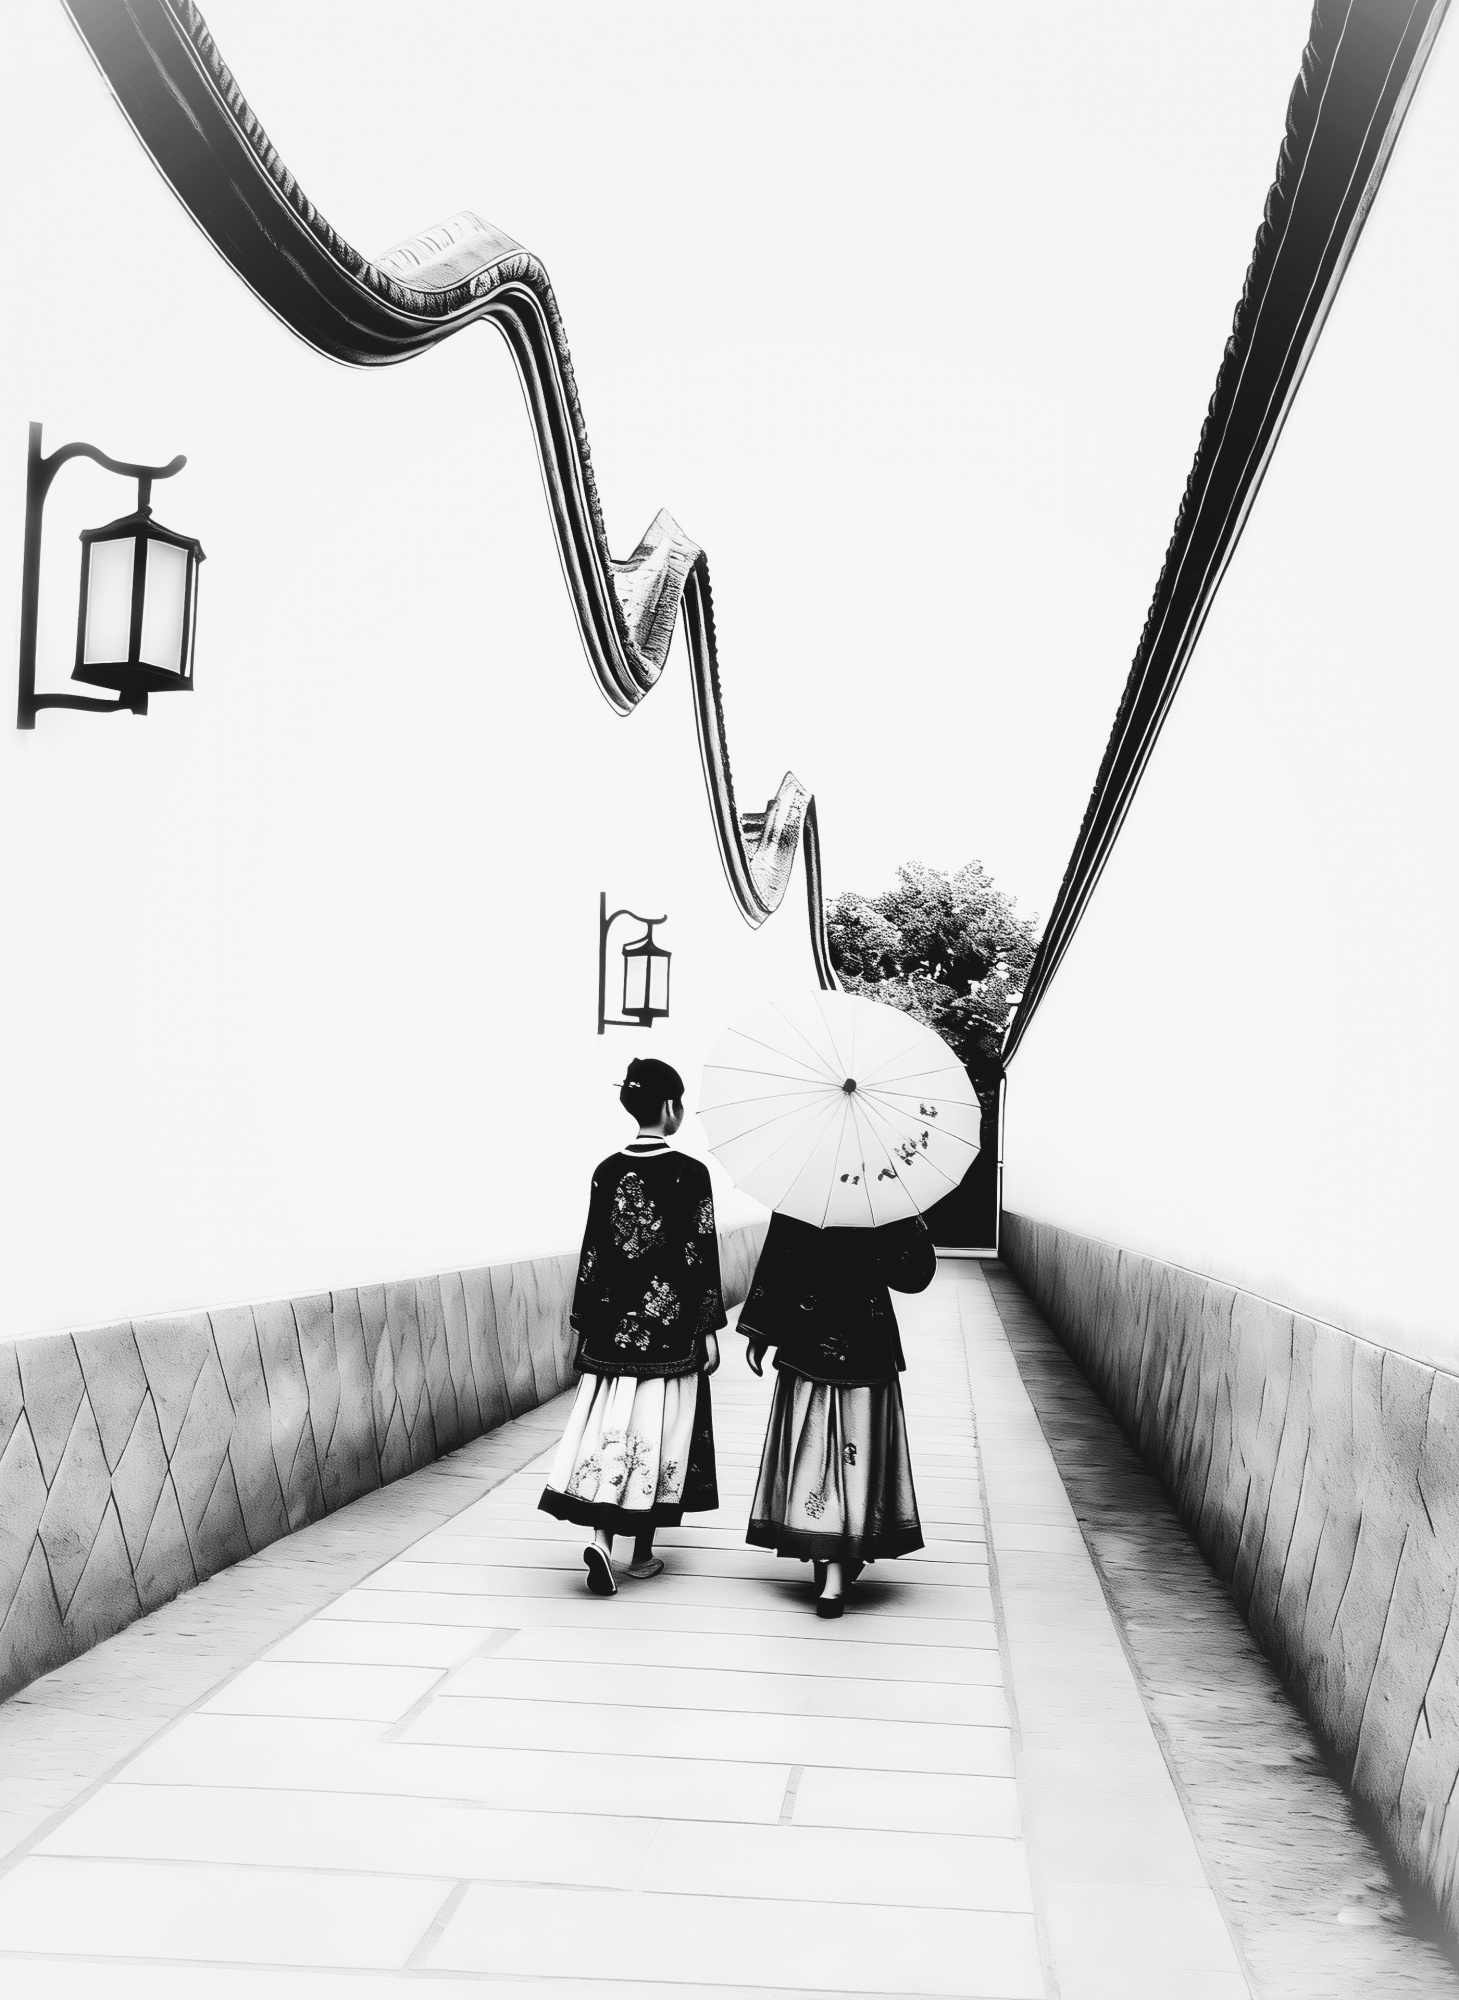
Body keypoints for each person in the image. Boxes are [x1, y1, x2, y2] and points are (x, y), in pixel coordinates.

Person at [539, 1057, 725, 1595]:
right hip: (669, 1333)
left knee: (613, 1430)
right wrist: (708, 1327)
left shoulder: (606, 1170)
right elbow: (700, 1254)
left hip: (612, 1331)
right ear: (669, 1106)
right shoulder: (691, 1173)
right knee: (658, 1434)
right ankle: (641, 1554)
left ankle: (602, 1539)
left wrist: (584, 1324)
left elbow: (593, 1252)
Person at [739, 1210, 936, 1617]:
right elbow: (912, 1276)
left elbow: (780, 1257)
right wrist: (913, 1223)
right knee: (857, 1455)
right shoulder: (885, 1196)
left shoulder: (805, 1191)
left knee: (813, 1453)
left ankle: (828, 1561)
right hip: (867, 1339)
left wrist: (760, 1331)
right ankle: (838, 1565)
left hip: (806, 1337)